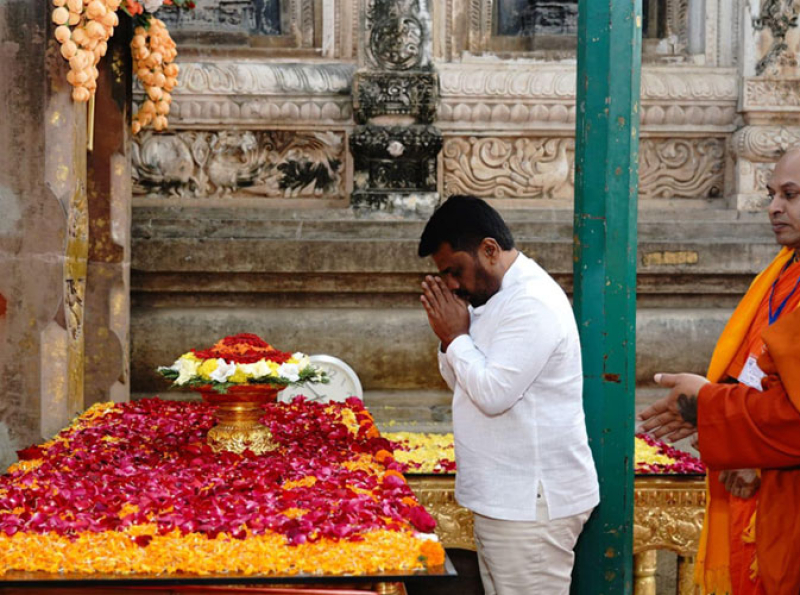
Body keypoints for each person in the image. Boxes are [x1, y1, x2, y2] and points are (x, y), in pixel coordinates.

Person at [417, 194, 599, 595]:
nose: (451, 284)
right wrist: (452, 340)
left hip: (531, 503)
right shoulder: (491, 296)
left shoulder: (531, 302)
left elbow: (494, 393)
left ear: (489, 249)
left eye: (455, 270)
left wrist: (454, 336)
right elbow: (462, 380)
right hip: (508, 498)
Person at [638, 148, 800, 595]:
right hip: (765, 480)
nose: (773, 207)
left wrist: (708, 404)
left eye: (791, 195)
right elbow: (756, 372)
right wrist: (735, 435)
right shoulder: (783, 272)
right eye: (772, 194)